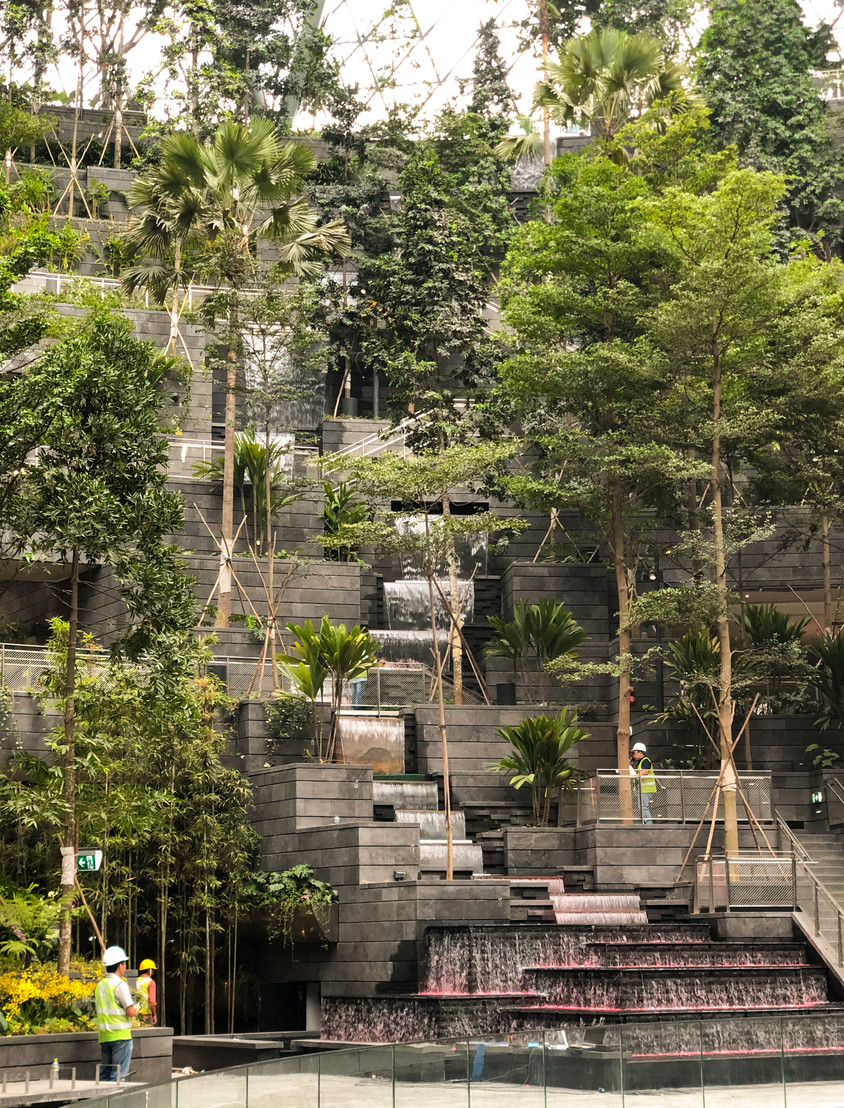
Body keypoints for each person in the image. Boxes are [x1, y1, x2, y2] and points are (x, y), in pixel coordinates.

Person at [94, 945, 138, 1082]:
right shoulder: (120, 985)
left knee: (105, 1075)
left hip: (104, 1036)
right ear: (120, 966)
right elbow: (130, 1012)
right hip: (121, 1037)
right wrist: (137, 1008)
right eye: (124, 964)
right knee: (117, 1076)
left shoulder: (100, 985)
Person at [630, 742, 657, 824]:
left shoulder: (645, 761)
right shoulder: (641, 762)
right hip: (643, 789)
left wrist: (636, 775)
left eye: (634, 753)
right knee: (642, 807)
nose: (633, 755)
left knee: (643, 807)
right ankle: (647, 822)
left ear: (640, 752)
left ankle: (649, 824)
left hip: (646, 789)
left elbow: (645, 772)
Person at [135, 959, 157, 1026]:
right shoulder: (151, 982)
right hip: (146, 1016)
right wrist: (155, 1015)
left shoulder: (135, 981)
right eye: (153, 970)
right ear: (149, 970)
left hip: (135, 1015)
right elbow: (152, 1001)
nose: (153, 972)